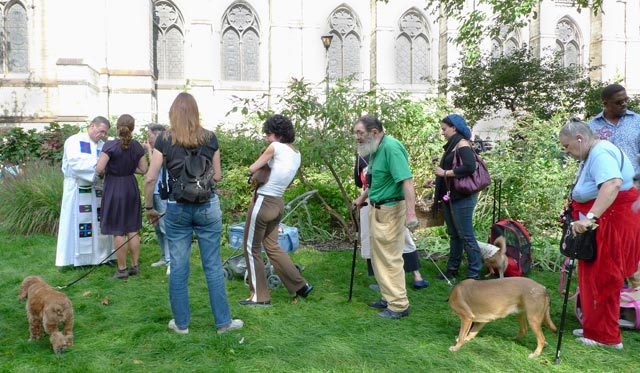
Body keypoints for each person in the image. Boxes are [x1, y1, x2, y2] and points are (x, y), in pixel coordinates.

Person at [144, 92, 242, 334]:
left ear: (172, 113)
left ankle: (181, 324)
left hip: (176, 208)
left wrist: (149, 208)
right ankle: (224, 323)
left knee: (178, 267)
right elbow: (217, 176)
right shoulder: (210, 138)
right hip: (207, 205)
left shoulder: (164, 140)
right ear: (196, 112)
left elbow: (150, 178)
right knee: (212, 265)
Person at [559, 119, 640, 348]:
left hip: (611, 221)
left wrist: (590, 218)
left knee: (604, 277)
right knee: (592, 274)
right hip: (606, 219)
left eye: (567, 147)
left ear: (579, 139)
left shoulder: (601, 152)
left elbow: (613, 183)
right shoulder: (593, 152)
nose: (567, 152)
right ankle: (593, 328)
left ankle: (606, 337)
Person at [240, 114, 313, 307]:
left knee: (250, 247)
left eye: (269, 133)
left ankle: (259, 296)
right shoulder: (297, 154)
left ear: (278, 135)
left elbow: (251, 169)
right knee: (272, 246)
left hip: (263, 201)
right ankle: (301, 285)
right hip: (278, 202)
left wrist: (264, 156)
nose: (266, 137)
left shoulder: (275, 147)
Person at [352, 114, 418, 319]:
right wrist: (362, 197)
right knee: (378, 256)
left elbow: (407, 181)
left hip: (390, 210)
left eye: (359, 133)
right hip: (376, 207)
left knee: (390, 259)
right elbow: (375, 180)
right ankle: (388, 296)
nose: (357, 137)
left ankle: (398, 305)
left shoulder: (391, 148)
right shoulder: (375, 149)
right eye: (355, 133)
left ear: (374, 132)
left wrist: (411, 214)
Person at [354, 154, 429, 291]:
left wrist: (362, 197)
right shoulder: (367, 153)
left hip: (382, 201)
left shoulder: (378, 153)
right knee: (378, 239)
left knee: (391, 238)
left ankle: (409, 277)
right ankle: (398, 278)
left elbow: (371, 183)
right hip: (379, 200)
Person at [428, 114, 483, 280]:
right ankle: (452, 269)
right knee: (454, 234)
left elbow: (469, 167)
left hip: (463, 197)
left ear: (454, 128)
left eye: (444, 129)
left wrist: (444, 173)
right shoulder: (452, 145)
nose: (442, 132)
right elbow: (451, 170)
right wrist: (435, 180)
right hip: (451, 196)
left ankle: (474, 273)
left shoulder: (462, 144)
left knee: (466, 235)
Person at [56, 116, 114, 267]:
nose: (102, 135)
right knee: (78, 223)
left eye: (105, 133)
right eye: (101, 131)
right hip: (78, 188)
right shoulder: (75, 141)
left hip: (97, 190)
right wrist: (99, 167)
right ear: (92, 126)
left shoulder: (102, 145)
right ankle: (79, 260)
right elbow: (76, 163)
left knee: (99, 224)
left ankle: (102, 257)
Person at [96, 114, 147, 279]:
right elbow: (143, 169)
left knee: (118, 230)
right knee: (132, 228)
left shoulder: (110, 145)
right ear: (132, 128)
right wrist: (128, 169)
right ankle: (135, 265)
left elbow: (99, 168)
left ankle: (122, 269)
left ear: (117, 128)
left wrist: (111, 169)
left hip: (114, 187)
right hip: (131, 187)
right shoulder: (138, 146)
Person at [588, 83, 640, 173]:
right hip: (605, 182)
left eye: (626, 100)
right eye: (618, 102)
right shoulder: (591, 126)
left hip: (634, 182)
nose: (624, 104)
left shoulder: (637, 121)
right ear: (605, 103)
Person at [143, 123, 170, 276]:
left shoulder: (166, 149)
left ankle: (171, 261)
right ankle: (164, 257)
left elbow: (155, 167)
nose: (148, 139)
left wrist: (148, 150)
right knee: (158, 227)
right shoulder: (156, 150)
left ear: (158, 135)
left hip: (163, 193)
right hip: (154, 193)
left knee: (166, 228)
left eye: (150, 136)